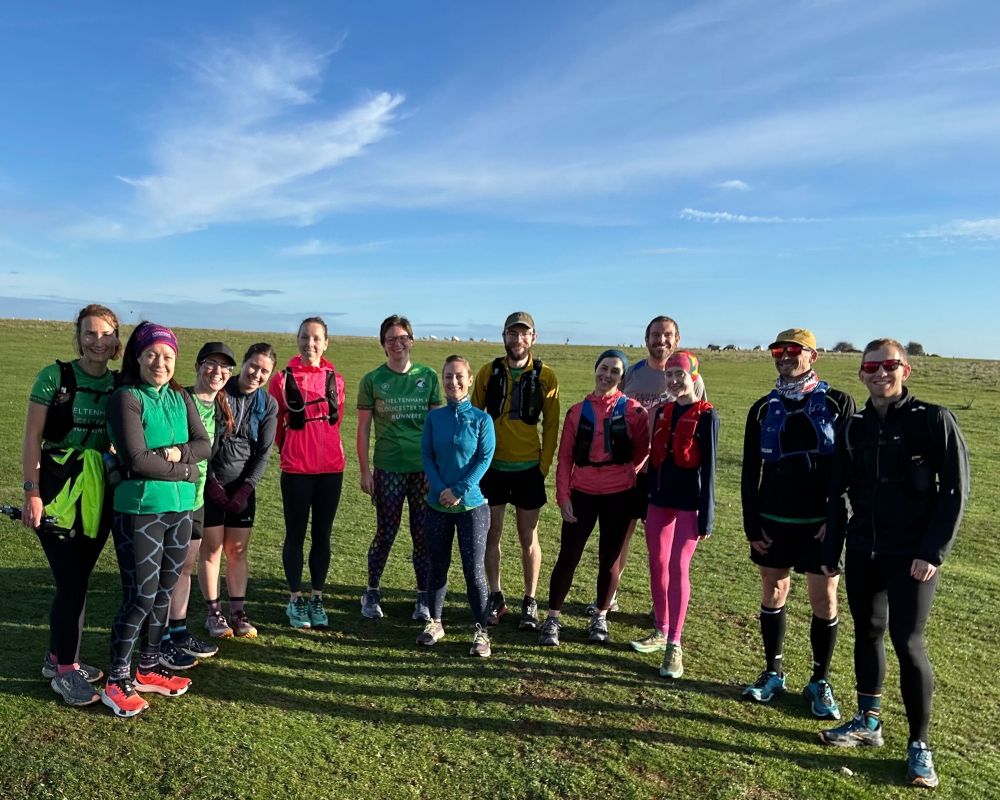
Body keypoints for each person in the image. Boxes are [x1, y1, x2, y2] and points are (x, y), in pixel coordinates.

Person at [819, 339, 969, 790]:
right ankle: (868, 721)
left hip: (913, 557)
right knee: (866, 633)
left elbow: (955, 492)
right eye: (871, 367)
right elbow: (837, 492)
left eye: (889, 365)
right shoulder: (856, 425)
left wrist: (933, 551)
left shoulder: (933, 420)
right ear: (861, 374)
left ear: (906, 370)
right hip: (864, 549)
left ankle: (920, 746)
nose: (880, 374)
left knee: (908, 642)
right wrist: (833, 550)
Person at [740, 328, 855, 719]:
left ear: (813, 355)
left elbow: (845, 469)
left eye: (793, 350)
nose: (785, 356)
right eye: (778, 350)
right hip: (773, 519)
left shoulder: (839, 403)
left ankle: (819, 681)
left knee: (824, 599)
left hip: (820, 523)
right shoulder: (760, 409)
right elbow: (749, 473)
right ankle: (773, 672)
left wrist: (835, 519)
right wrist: (751, 526)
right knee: (773, 593)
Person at [101, 322, 211, 717]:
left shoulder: (180, 397)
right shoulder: (126, 397)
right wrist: (185, 469)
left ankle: (147, 668)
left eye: (167, 356)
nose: (160, 363)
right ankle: (116, 679)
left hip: (179, 510)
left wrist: (175, 454)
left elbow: (204, 445)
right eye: (151, 355)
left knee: (164, 593)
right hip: (140, 511)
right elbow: (136, 459)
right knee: (140, 597)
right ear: (138, 356)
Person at [21, 304, 122, 707]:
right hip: (57, 489)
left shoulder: (119, 384)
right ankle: (66, 671)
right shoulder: (55, 376)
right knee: (72, 580)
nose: (98, 341)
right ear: (78, 336)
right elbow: (32, 437)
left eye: (106, 334)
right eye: (90, 333)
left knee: (77, 577)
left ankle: (55, 657)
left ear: (117, 340)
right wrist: (32, 492)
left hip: (98, 492)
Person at [537, 350, 648, 647]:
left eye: (614, 371)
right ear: (595, 370)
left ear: (622, 376)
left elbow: (642, 450)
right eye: (603, 368)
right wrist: (564, 497)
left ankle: (600, 616)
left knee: (609, 559)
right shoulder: (577, 412)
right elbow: (564, 458)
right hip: (582, 492)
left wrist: (626, 474)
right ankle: (553, 618)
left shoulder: (635, 412)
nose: (607, 375)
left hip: (619, 496)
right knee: (568, 556)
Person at [606, 316, 707, 617]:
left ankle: (659, 606)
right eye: (654, 335)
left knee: (663, 547)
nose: (660, 340)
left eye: (666, 335)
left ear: (677, 339)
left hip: (669, 474)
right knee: (619, 535)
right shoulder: (632, 374)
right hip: (631, 469)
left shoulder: (693, 378)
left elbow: (700, 423)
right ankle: (608, 596)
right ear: (645, 339)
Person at [628, 352, 718, 679]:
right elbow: (652, 459)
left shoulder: (707, 415)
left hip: (689, 503)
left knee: (679, 565)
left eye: (680, 374)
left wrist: (706, 515)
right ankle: (661, 629)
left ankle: (674, 645)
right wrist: (644, 499)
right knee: (657, 562)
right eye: (669, 375)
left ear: (693, 376)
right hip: (659, 498)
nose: (674, 380)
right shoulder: (662, 410)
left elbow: (709, 469)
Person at [471, 311, 559, 630]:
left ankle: (530, 600)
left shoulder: (545, 375)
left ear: (533, 337)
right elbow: (473, 418)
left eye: (524, 334)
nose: (518, 339)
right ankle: (496, 597)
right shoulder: (488, 372)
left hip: (528, 469)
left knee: (528, 537)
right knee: (491, 534)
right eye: (512, 333)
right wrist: (476, 463)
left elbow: (552, 425)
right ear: (504, 336)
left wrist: (544, 465)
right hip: (492, 468)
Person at [357, 315, 442, 621]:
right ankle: (371, 591)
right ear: (383, 344)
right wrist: (365, 470)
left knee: (422, 534)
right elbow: (364, 429)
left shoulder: (429, 377)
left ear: (411, 341)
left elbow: (437, 427)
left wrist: (438, 471)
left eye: (403, 337)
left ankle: (422, 597)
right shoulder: (372, 380)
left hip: (423, 471)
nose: (397, 344)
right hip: (388, 467)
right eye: (391, 339)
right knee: (386, 531)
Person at [157, 342, 236, 668]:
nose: (217, 372)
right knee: (165, 571)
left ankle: (178, 632)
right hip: (170, 496)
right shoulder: (179, 398)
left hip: (197, 499)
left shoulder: (221, 407)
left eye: (224, 367)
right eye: (211, 364)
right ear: (198, 365)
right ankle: (157, 639)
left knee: (185, 567)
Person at [270, 317, 346, 630]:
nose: (310, 344)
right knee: (295, 535)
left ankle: (317, 596)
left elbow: (335, 423)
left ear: (326, 343)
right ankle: (294, 598)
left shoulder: (336, 379)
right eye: (304, 337)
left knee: (323, 536)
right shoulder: (281, 378)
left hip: (331, 470)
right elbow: (274, 425)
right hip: (296, 470)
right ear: (297, 340)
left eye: (316, 338)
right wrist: (290, 451)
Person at [198, 343, 278, 640]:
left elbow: (263, 453)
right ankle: (214, 612)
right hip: (211, 485)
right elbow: (202, 441)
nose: (257, 374)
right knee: (213, 549)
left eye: (264, 371)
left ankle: (238, 612)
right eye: (253, 366)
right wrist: (212, 486)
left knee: (237, 551)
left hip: (243, 489)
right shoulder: (219, 392)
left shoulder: (268, 405)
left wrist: (246, 489)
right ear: (243, 364)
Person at [419, 356, 496, 656]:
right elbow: (427, 456)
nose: (454, 382)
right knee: (437, 564)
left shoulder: (481, 419)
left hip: (472, 506)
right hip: (437, 504)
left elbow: (484, 458)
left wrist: (459, 490)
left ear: (470, 378)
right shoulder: (434, 418)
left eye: (459, 376)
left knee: (473, 570)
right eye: (448, 376)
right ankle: (435, 621)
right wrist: (440, 489)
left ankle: (482, 630)